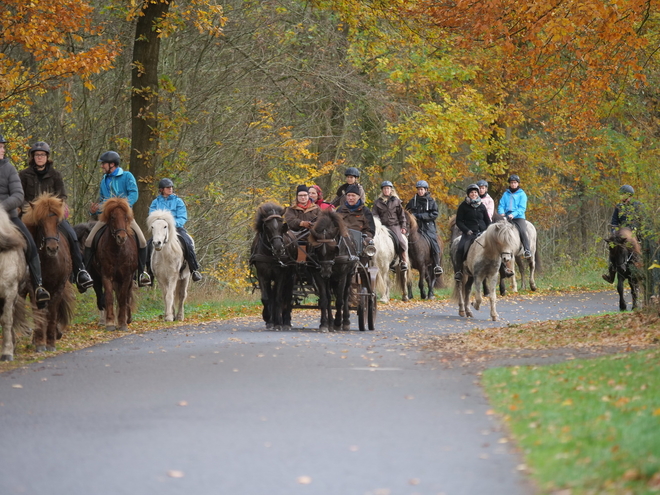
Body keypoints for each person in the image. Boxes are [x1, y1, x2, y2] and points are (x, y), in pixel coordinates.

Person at [19, 141, 94, 293]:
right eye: (37, 155)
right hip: (31, 216)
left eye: (42, 155)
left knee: (72, 235)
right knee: (16, 237)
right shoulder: (24, 174)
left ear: (47, 157)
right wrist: (32, 209)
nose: (40, 157)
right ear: (33, 157)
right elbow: (21, 196)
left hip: (52, 216)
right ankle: (17, 272)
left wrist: (56, 207)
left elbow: (62, 195)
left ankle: (80, 271)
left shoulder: (55, 175)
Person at [84, 150, 151, 286]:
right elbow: (103, 199)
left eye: (103, 164)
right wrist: (95, 210)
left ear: (112, 164)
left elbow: (134, 194)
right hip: (107, 218)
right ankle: (85, 273)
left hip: (125, 217)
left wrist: (123, 207)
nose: (102, 166)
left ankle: (141, 273)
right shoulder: (104, 180)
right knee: (89, 241)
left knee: (143, 241)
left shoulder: (127, 176)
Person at [0, 134, 50, 308]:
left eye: (3, 147)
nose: (2, 150)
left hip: (10, 217)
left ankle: (38, 286)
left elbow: (18, 195)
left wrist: (1, 208)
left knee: (30, 244)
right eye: (0, 147)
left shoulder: (9, 169)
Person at [149, 178, 203, 282]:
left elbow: (182, 217)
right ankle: (148, 273)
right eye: (168, 187)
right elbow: (152, 217)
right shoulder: (155, 202)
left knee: (188, 243)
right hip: (160, 231)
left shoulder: (178, 201)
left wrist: (171, 225)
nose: (170, 189)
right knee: (148, 245)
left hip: (176, 229)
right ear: (161, 189)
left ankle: (194, 270)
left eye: (171, 187)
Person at [602, 184, 643, 284]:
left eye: (622, 195)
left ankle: (642, 271)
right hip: (622, 235)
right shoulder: (618, 207)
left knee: (644, 246)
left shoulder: (638, 205)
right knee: (613, 247)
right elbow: (614, 222)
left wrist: (636, 228)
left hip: (635, 233)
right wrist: (614, 232)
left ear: (628, 195)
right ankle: (611, 273)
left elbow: (642, 220)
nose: (621, 197)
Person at [453, 184, 491, 280]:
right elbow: (459, 221)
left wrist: (489, 230)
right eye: (471, 192)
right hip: (469, 233)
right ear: (468, 194)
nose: (473, 194)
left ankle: (503, 268)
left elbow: (487, 220)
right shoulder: (463, 206)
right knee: (460, 248)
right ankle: (458, 271)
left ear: (478, 193)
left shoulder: (482, 206)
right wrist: (466, 230)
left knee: (495, 247)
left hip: (483, 232)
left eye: (475, 192)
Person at [405, 180, 443, 275]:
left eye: (422, 189)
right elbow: (406, 213)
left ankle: (437, 264)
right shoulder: (412, 201)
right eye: (419, 189)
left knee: (434, 241)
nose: (420, 191)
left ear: (426, 190)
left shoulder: (431, 201)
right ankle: (401, 262)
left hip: (427, 227)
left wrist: (420, 216)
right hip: (414, 228)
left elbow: (434, 214)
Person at [372, 180, 409, 271]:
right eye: (384, 188)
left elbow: (402, 215)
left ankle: (403, 260)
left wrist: (403, 227)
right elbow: (374, 214)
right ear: (382, 190)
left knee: (401, 241)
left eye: (388, 188)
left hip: (394, 225)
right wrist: (377, 223)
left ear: (391, 190)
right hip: (382, 226)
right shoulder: (377, 202)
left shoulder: (396, 201)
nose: (386, 190)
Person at [497, 174, 532, 259]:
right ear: (509, 184)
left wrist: (513, 214)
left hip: (518, 217)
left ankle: (527, 249)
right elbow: (501, 205)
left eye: (515, 183)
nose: (513, 184)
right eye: (511, 183)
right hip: (506, 216)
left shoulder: (522, 194)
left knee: (523, 231)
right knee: (497, 229)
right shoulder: (506, 194)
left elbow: (522, 208)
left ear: (518, 183)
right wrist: (501, 213)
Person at [336, 184, 376, 254]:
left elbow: (371, 230)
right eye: (348, 195)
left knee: (369, 244)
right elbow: (334, 226)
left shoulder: (365, 211)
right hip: (341, 239)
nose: (350, 198)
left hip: (359, 241)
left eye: (353, 195)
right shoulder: (340, 210)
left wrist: (364, 238)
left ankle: (365, 264)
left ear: (359, 197)